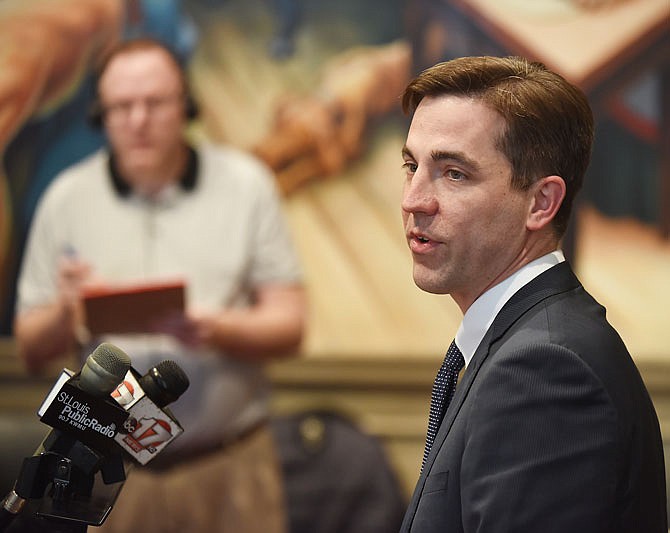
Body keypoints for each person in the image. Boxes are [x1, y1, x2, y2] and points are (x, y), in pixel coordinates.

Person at [14, 37, 305, 533]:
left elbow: (291, 326)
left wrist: (214, 328)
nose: (138, 120)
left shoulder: (247, 184)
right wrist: (67, 310)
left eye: (155, 103)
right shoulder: (66, 198)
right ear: (101, 115)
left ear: (186, 105)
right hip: (109, 476)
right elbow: (30, 349)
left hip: (230, 466)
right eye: (122, 107)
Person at [398, 55, 666, 532]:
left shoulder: (545, 369)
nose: (414, 200)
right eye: (412, 165)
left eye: (453, 173)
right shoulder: (528, 341)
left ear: (541, 203)